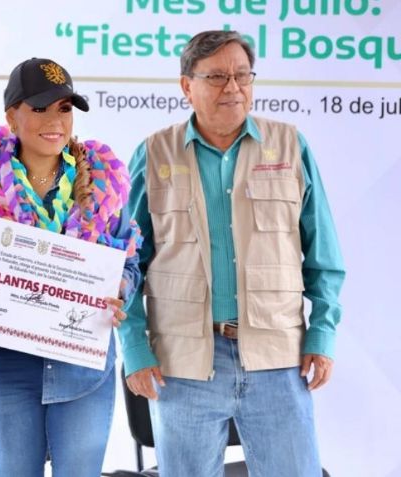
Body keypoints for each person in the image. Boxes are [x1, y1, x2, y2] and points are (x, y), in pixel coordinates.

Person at [121, 30, 345, 476]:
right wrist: (134, 348)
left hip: (278, 359)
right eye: (218, 77)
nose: (233, 88)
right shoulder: (153, 153)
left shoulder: (290, 146)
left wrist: (321, 334)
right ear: (187, 86)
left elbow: (324, 256)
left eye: (243, 75)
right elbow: (125, 264)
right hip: (184, 365)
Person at [0, 58, 142, 477]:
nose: (55, 120)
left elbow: (131, 260)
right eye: (40, 108)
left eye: (64, 108)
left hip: (83, 368)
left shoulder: (102, 182)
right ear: (12, 115)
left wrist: (121, 285)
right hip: (9, 366)